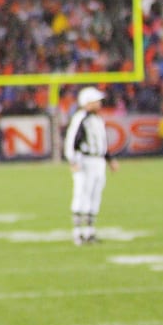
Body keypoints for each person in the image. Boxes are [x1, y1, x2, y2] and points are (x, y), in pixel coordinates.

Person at [64, 86, 118, 245]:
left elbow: (102, 143)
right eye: (96, 101)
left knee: (95, 195)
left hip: (98, 161)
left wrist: (109, 160)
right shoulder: (81, 118)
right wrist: (73, 160)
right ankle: (78, 232)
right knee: (82, 194)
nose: (99, 103)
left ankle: (89, 232)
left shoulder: (97, 119)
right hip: (85, 161)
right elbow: (72, 141)